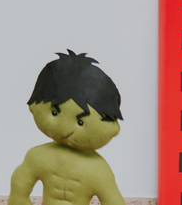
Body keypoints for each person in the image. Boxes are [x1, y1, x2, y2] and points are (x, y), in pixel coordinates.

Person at [9, 51, 124, 205]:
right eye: (55, 112)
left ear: (112, 128)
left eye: (81, 122)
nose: (66, 129)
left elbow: (112, 200)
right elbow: (20, 184)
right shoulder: (37, 157)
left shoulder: (100, 172)